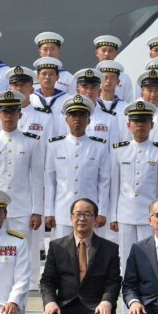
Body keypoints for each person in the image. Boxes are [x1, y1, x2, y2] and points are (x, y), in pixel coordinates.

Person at [109, 101, 158, 314]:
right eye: (136, 121)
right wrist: (113, 215)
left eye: (144, 121)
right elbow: (114, 185)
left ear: (151, 124)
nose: (140, 125)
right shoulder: (118, 150)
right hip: (125, 214)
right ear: (128, 124)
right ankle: (128, 308)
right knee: (126, 262)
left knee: (150, 263)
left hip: (150, 218)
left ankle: (149, 304)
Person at [0, 90, 44, 289]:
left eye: (13, 111)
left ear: (20, 114)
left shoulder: (32, 141)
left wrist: (37, 210)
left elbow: (37, 179)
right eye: (4, 111)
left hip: (22, 208)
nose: (8, 115)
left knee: (19, 255)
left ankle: (19, 303)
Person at [45, 95, 110, 238]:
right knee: (63, 255)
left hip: (90, 212)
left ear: (89, 120)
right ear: (66, 119)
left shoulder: (99, 146)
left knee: (90, 256)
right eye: (73, 115)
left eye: (82, 115)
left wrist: (102, 212)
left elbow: (104, 182)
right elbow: (50, 181)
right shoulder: (55, 145)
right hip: (62, 212)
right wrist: (49, 212)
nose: (77, 119)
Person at [93, 35, 133, 102]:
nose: (106, 54)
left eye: (110, 51)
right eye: (103, 50)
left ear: (115, 54)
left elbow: (128, 101)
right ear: (97, 53)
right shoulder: (91, 75)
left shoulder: (124, 78)